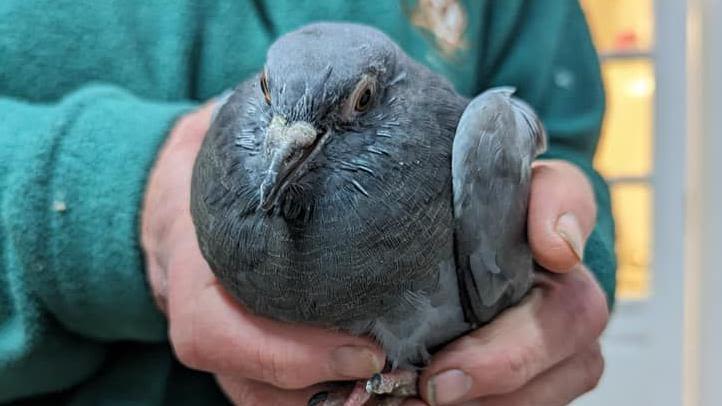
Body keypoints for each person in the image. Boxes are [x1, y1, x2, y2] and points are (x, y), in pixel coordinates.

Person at [0, 0, 616, 405]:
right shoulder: (260, 132)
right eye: (270, 97)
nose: (285, 146)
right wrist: (101, 199)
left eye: (360, 105)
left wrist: (565, 257)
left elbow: (561, 145)